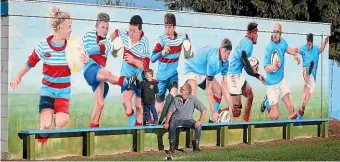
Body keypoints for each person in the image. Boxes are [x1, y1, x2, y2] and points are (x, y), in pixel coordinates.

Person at [9, 7, 89, 144]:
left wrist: (85, 61)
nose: (71, 30)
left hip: (63, 92)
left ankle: (54, 124)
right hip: (47, 91)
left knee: (62, 121)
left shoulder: (72, 46)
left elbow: (80, 61)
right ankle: (40, 144)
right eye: (69, 27)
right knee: (45, 126)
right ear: (59, 27)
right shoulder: (43, 46)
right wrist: (18, 76)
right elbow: (30, 62)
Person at [82, 13, 126, 128]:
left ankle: (92, 131)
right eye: (103, 27)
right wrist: (84, 53)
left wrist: (86, 53)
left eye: (107, 28)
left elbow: (99, 48)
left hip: (98, 71)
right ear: (96, 27)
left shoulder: (107, 43)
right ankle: (127, 82)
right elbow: (82, 49)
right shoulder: (88, 35)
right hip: (90, 69)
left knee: (100, 104)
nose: (105, 30)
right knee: (108, 74)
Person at [111, 15, 151, 126]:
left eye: (134, 31)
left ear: (140, 31)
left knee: (139, 105)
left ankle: (138, 130)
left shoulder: (144, 42)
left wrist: (134, 60)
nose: (131, 33)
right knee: (125, 101)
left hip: (139, 79)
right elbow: (115, 33)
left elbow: (146, 66)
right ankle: (132, 118)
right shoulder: (124, 33)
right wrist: (112, 45)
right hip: (126, 78)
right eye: (130, 30)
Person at [151, 13, 190, 124]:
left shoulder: (181, 37)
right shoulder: (161, 40)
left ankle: (164, 121)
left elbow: (186, 37)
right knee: (158, 109)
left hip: (173, 75)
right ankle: (154, 120)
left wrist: (188, 46)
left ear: (174, 27)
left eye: (169, 27)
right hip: (162, 78)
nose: (167, 30)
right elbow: (153, 58)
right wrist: (162, 52)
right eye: (165, 27)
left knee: (173, 95)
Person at [184, 38, 233, 123]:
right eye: (225, 51)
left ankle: (212, 121)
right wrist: (214, 111)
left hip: (203, 72)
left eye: (228, 53)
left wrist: (230, 109)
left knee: (218, 91)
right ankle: (186, 120)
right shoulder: (213, 60)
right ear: (220, 49)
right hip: (192, 69)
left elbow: (225, 86)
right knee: (193, 94)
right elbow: (209, 89)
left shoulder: (225, 63)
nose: (226, 55)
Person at [260, 23, 301, 120]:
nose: (274, 34)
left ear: (280, 33)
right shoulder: (269, 48)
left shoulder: (282, 42)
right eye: (273, 31)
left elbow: (288, 49)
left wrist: (295, 55)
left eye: (277, 32)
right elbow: (266, 67)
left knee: (291, 108)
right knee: (275, 116)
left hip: (281, 81)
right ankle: (267, 103)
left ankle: (296, 131)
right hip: (272, 85)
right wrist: (274, 67)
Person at [227, 21, 265, 122]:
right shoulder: (248, 44)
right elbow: (243, 56)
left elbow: (245, 64)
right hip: (233, 76)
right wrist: (254, 72)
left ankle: (246, 121)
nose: (257, 36)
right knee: (236, 112)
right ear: (252, 34)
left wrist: (257, 75)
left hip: (237, 74)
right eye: (256, 34)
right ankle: (217, 114)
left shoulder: (245, 41)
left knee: (250, 95)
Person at [163, 83, 207, 153]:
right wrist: (166, 122)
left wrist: (200, 121)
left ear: (187, 91)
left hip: (188, 120)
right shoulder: (176, 98)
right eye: (181, 89)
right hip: (176, 119)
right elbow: (170, 112)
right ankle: (172, 148)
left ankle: (196, 147)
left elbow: (204, 110)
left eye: (182, 89)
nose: (180, 90)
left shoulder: (193, 99)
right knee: (171, 125)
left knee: (199, 126)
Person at [294, 33, 329, 119]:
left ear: (312, 42)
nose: (308, 45)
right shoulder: (303, 48)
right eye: (307, 43)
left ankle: (299, 115)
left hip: (313, 74)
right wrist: (296, 56)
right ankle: (308, 72)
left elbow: (321, 49)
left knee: (306, 95)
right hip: (305, 70)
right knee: (308, 82)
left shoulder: (316, 48)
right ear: (306, 42)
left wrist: (325, 42)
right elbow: (293, 50)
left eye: (310, 44)